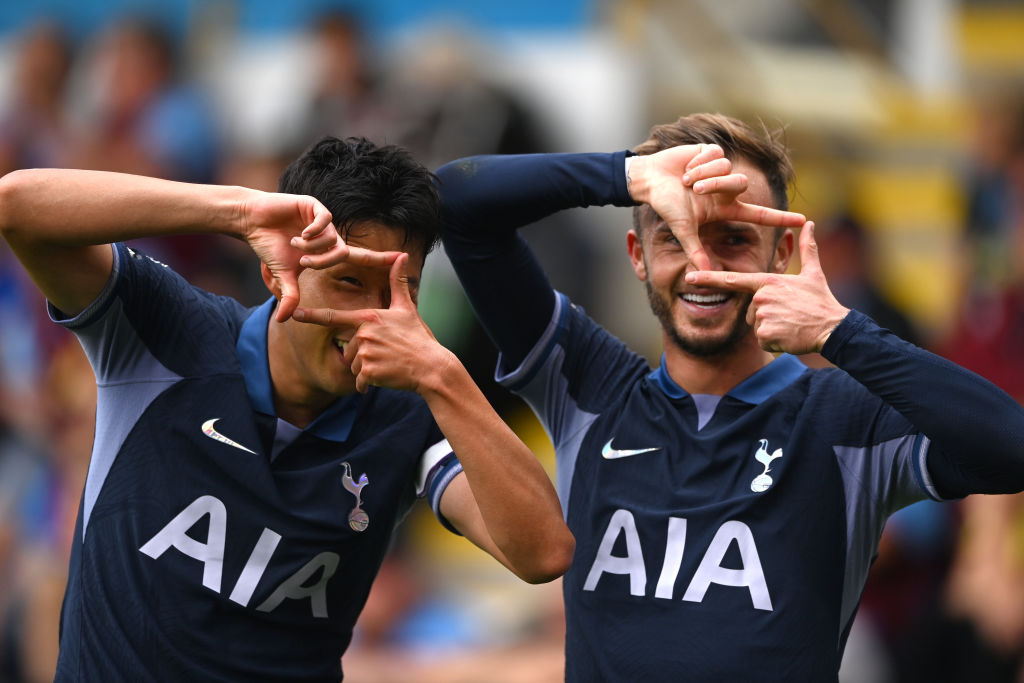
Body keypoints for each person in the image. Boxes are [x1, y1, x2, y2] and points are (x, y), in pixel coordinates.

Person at [433, 113, 1024, 680]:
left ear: (783, 256)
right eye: (675, 235)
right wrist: (626, 175)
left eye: (733, 238)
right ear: (638, 257)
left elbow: (1010, 447)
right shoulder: (589, 382)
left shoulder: (845, 417)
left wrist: (841, 333)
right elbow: (456, 201)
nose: (703, 266)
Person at [0, 135, 574, 681]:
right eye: (351, 281)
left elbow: (543, 551)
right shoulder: (168, 329)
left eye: (403, 290)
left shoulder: (410, 415)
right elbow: (18, 205)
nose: (377, 318)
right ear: (279, 271)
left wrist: (444, 375)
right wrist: (237, 210)